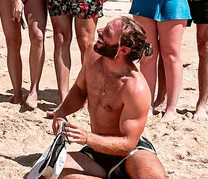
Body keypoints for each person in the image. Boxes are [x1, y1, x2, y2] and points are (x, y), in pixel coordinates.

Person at [51, 17, 166, 179]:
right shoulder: (92, 53)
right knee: (50, 171)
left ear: (123, 49)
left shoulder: (135, 87)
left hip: (130, 153)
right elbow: (79, 90)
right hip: (96, 151)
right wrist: (61, 112)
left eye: (107, 32)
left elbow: (128, 143)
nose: (99, 31)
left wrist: (86, 137)